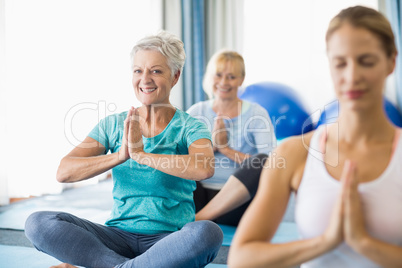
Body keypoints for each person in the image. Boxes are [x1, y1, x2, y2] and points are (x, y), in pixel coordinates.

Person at [24, 31, 223, 268]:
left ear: (175, 76)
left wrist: (142, 155)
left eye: (156, 71)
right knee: (38, 223)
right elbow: (64, 172)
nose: (145, 79)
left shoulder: (191, 126)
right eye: (138, 70)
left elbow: (204, 167)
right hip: (115, 238)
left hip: (169, 241)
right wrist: (120, 156)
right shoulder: (114, 124)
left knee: (208, 233)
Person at [228, 5, 402, 268]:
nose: (352, 76)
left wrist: (364, 243)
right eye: (340, 63)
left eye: (366, 61)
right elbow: (242, 259)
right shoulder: (294, 152)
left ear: (391, 62)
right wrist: (325, 242)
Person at [187, 50, 276, 226]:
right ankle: (199, 215)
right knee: (172, 157)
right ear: (210, 77)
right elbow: (179, 157)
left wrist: (226, 149)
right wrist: (211, 146)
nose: (223, 82)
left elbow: (272, 165)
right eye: (218, 75)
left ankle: (200, 218)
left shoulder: (257, 113)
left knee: (263, 161)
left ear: (241, 80)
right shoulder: (196, 111)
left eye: (231, 77)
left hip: (236, 202)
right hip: (197, 197)